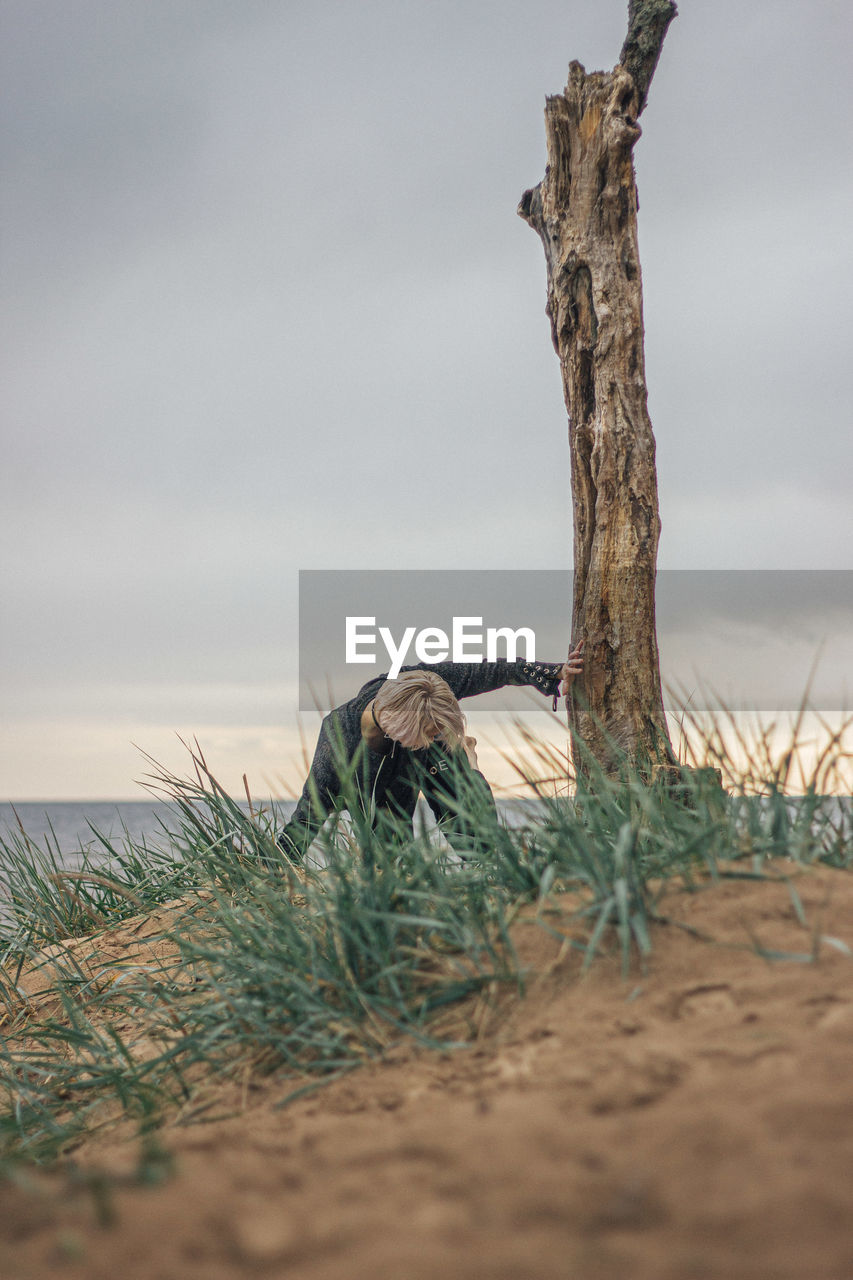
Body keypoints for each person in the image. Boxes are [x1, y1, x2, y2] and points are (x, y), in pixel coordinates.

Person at [277, 642, 584, 863]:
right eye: (432, 730)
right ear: (398, 724)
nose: (437, 735)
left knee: (477, 847)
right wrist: (271, 873)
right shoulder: (337, 741)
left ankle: (467, 760)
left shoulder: (420, 684)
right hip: (378, 776)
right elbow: (304, 822)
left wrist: (556, 672)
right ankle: (464, 756)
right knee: (390, 860)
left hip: (424, 755)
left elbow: (490, 670)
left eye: (439, 731)